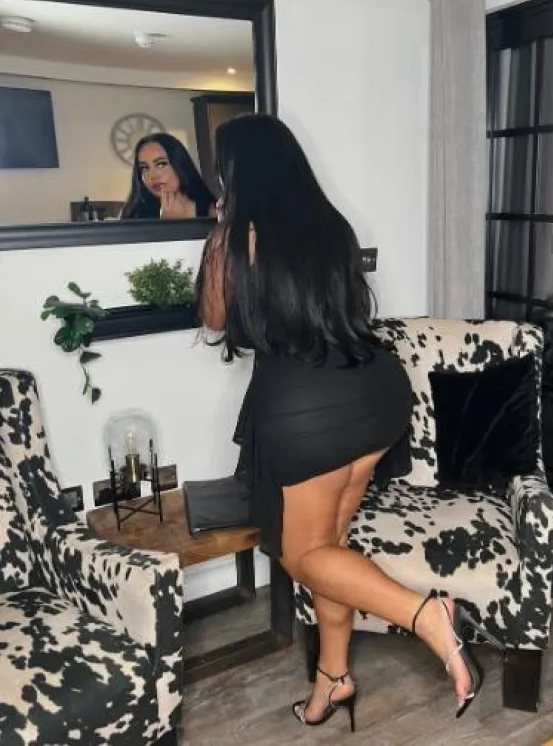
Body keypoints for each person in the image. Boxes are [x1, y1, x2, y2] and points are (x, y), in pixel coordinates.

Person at [196, 114, 502, 730]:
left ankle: (426, 615)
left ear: (236, 174)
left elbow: (214, 318)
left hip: (307, 410)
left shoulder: (235, 236)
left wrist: (219, 235)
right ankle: (332, 680)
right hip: (375, 392)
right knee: (329, 549)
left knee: (302, 553)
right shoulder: (330, 227)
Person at [120, 132, 216, 220]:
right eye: (144, 168)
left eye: (161, 164)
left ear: (180, 164)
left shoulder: (214, 212)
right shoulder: (133, 215)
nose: (152, 175)